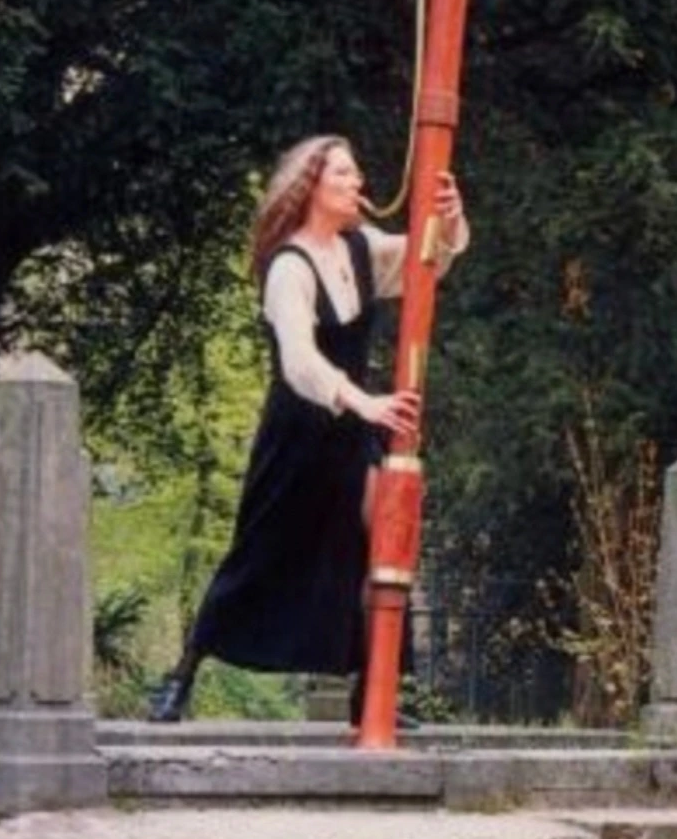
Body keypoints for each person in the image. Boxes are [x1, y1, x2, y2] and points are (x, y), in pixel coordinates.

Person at [148, 134, 469, 723]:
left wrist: (449, 220)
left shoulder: (362, 248)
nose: (357, 182)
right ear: (311, 187)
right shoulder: (288, 266)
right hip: (297, 433)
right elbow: (298, 361)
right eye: (343, 173)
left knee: (382, 542)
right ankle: (182, 675)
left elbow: (427, 263)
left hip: (354, 433)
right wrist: (362, 401)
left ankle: (373, 694)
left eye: (356, 172)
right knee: (258, 555)